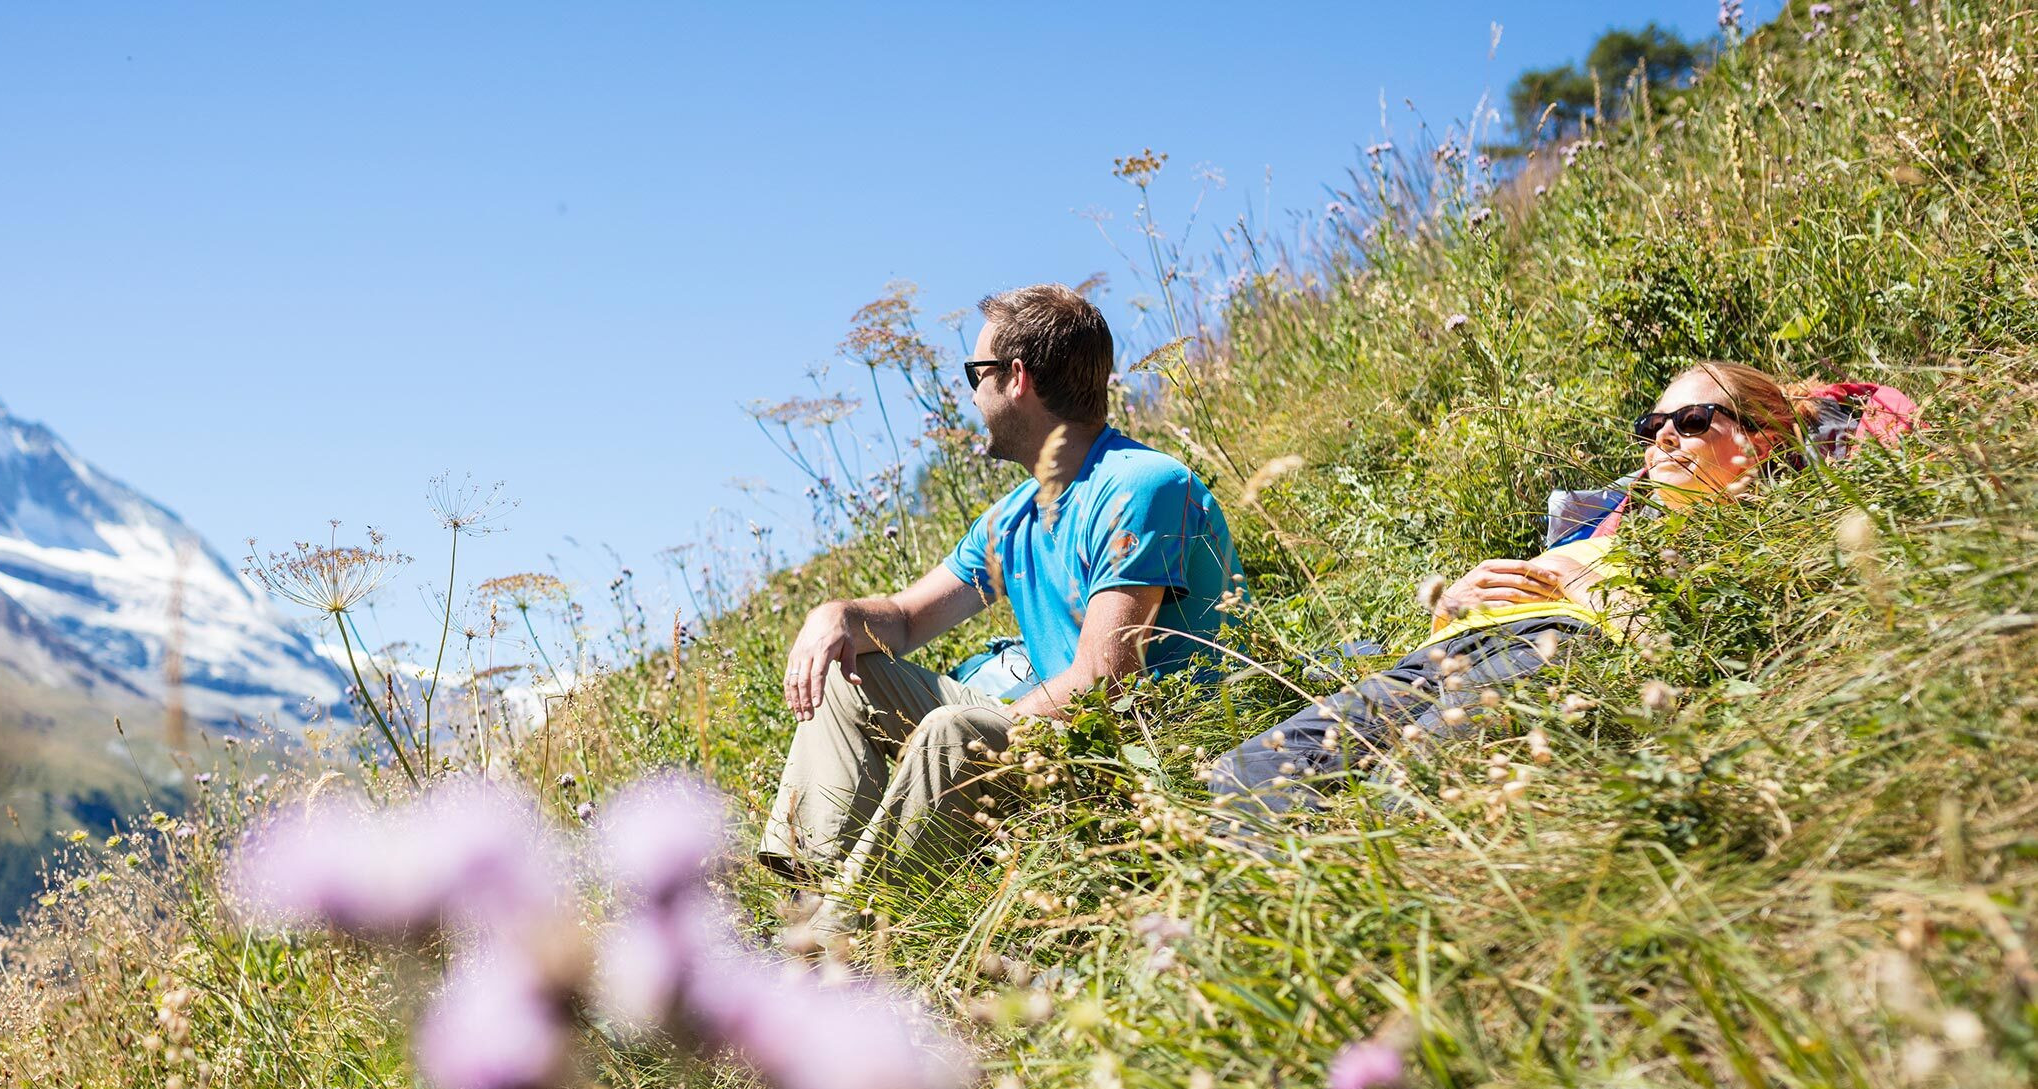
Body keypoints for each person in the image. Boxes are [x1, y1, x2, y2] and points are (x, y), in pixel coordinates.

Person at [1203, 360, 1916, 826]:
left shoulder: (1756, 535)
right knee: (1243, 777)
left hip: (1559, 653)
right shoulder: (1605, 520)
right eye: (1652, 425)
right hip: (1447, 651)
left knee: (1408, 795)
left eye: (1693, 421)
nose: (1664, 436)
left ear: (1758, 441)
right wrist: (1453, 602)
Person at [758, 283, 1243, 935]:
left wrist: (983, 723)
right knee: (853, 674)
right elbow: (903, 621)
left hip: (1137, 761)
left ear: (1016, 379)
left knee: (949, 734)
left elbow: (1106, 682)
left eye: (974, 374)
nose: (971, 396)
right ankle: (818, 898)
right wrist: (836, 617)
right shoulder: (1015, 516)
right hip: (1057, 737)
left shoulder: (1142, 486)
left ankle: (841, 947)